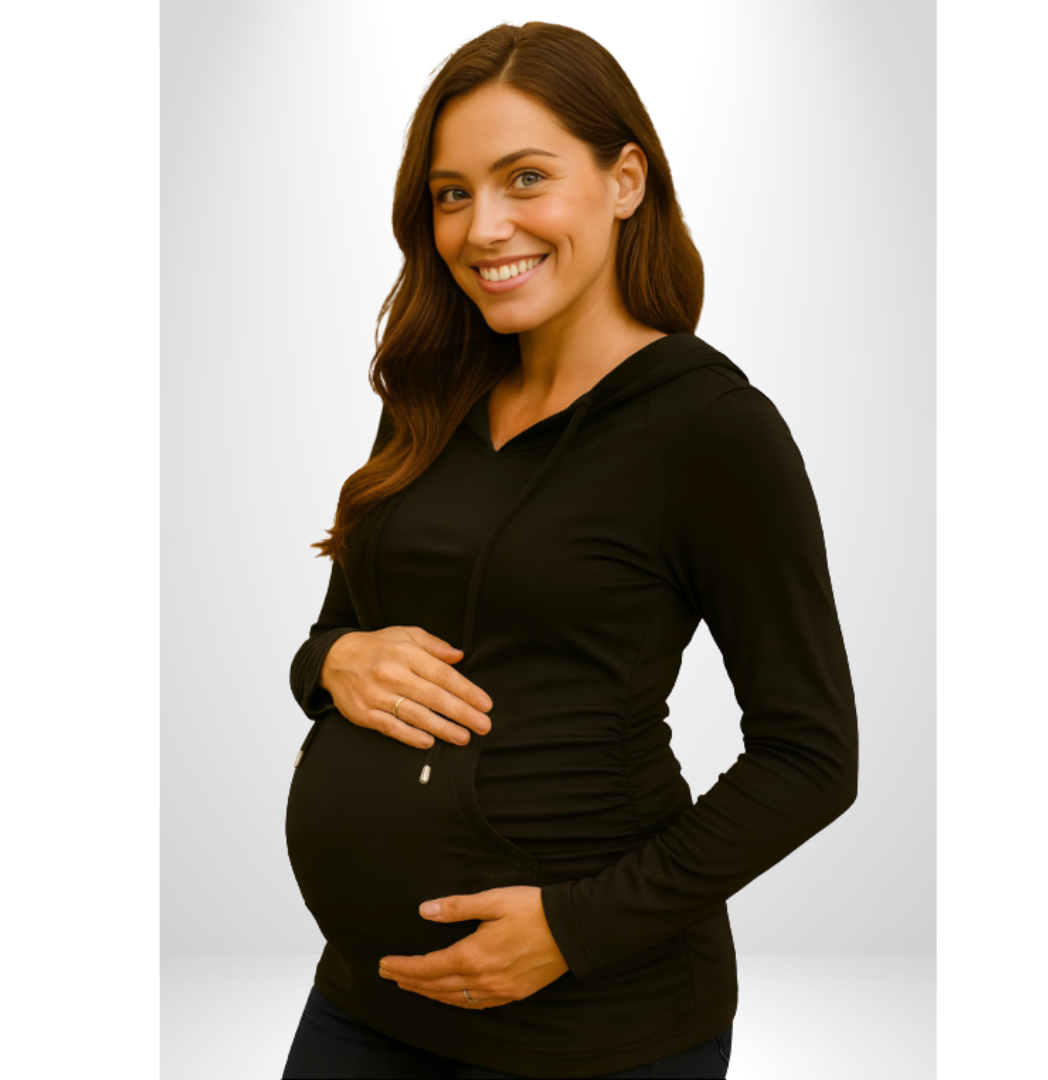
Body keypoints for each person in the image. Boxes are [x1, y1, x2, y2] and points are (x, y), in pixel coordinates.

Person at [282, 20, 858, 1080]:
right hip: (368, 998)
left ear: (625, 180)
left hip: (596, 1026)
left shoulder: (711, 431)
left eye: (526, 178)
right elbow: (335, 639)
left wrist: (572, 929)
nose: (483, 227)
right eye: (451, 193)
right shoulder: (429, 397)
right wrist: (330, 663)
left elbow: (811, 758)